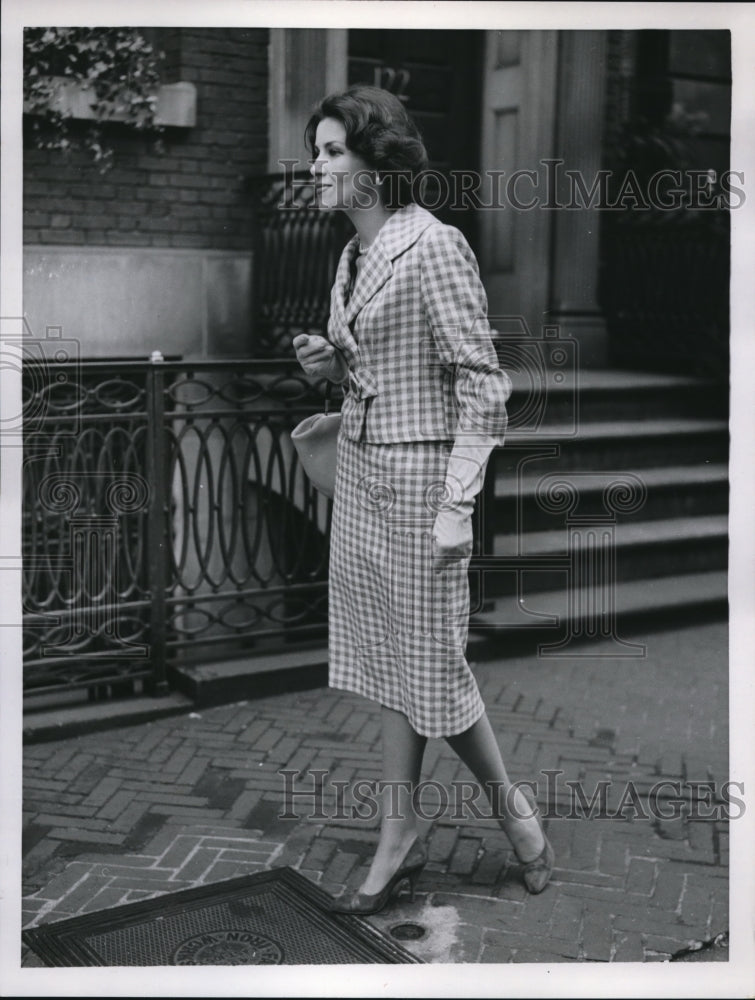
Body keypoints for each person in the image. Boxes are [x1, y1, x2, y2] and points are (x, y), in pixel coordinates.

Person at [293, 85, 553, 915]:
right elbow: (376, 364)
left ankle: (502, 818)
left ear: (376, 164)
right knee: (391, 668)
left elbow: (481, 385)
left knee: (433, 669)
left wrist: (456, 507)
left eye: (333, 151)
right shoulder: (352, 254)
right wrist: (329, 364)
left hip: (420, 486)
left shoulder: (434, 247)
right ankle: (409, 833)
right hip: (365, 481)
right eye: (319, 149)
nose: (317, 165)